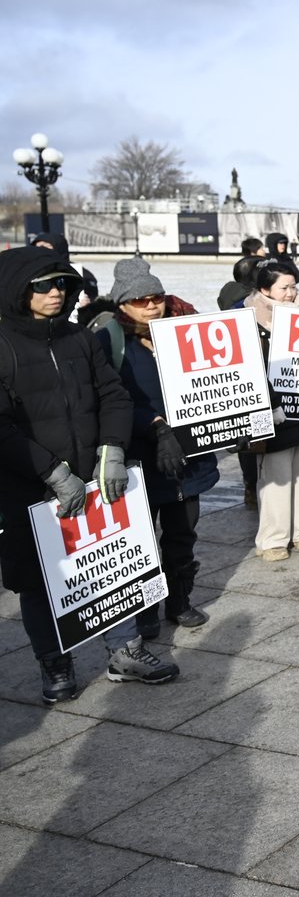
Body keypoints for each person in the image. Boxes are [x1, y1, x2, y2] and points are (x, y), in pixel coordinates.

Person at [0, 246, 179, 703]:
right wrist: (50, 471)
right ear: (18, 290)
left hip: (96, 475)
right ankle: (54, 662)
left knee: (112, 568)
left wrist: (113, 448)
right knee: (42, 578)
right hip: (32, 487)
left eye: (62, 283)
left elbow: (114, 396)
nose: (56, 292)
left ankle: (125, 652)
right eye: (43, 285)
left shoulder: (79, 336)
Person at [82, 258, 218, 631]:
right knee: (139, 543)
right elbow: (112, 398)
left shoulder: (188, 329)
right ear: (122, 303)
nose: (152, 304)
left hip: (190, 454)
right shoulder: (107, 340)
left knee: (182, 536)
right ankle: (143, 613)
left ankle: (179, 601)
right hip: (141, 458)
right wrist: (156, 427)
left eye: (156, 296)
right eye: (140, 299)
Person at [246, 262, 299, 558]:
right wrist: (271, 405)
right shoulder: (250, 322)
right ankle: (272, 539)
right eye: (284, 287)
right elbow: (249, 370)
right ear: (264, 289)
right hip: (274, 411)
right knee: (276, 476)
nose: (290, 293)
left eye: (293, 286)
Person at [30, 231, 98, 320]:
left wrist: (88, 306)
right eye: (37, 248)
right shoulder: (29, 273)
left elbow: (93, 299)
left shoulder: (83, 275)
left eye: (45, 247)